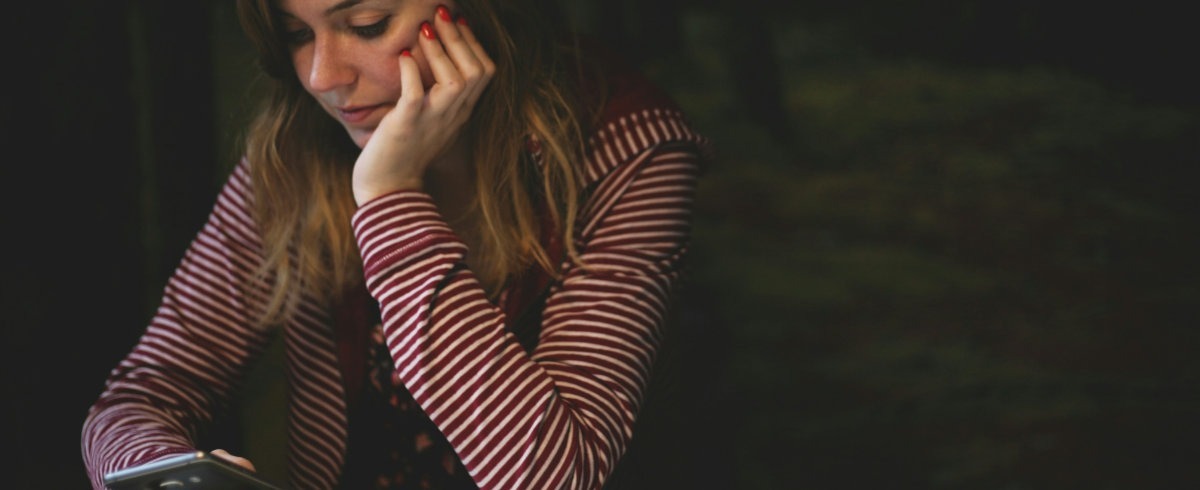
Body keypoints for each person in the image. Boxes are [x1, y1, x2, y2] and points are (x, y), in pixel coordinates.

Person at [81, 0, 711, 488]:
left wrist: (388, 197)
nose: (323, 77)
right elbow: (147, 388)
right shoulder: (296, 150)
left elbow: (551, 475)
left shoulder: (630, 149)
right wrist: (163, 471)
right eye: (297, 35)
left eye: (367, 23)